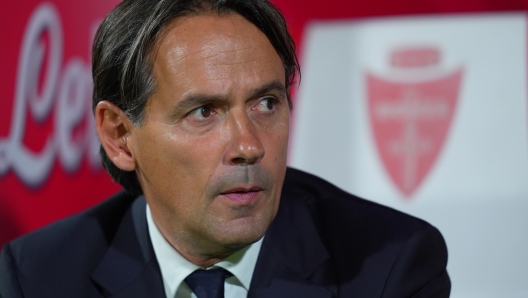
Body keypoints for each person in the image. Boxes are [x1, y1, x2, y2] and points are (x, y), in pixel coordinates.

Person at [0, 0, 451, 297]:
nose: (248, 145)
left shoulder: (389, 267)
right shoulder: (37, 278)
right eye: (204, 112)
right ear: (119, 136)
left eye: (266, 103)